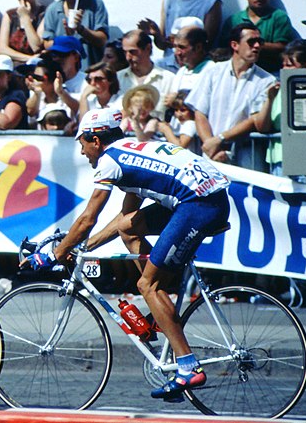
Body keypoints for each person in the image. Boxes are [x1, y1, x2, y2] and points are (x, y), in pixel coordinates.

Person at [53, 107, 230, 402]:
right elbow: (127, 219)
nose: (82, 150)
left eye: (82, 141)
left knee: (147, 285)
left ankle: (188, 367)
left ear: (96, 139)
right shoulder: (130, 149)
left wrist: (59, 252)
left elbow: (87, 218)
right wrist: (87, 247)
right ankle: (162, 308)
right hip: (207, 197)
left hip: (199, 204)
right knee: (130, 231)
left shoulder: (110, 162)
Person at [185, 22, 276, 168]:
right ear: (235, 45)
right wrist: (211, 145)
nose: (257, 46)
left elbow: (255, 120)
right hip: (212, 156)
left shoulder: (267, 80)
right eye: (252, 41)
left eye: (260, 42)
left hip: (246, 157)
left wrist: (219, 139)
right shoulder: (213, 72)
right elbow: (200, 113)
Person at [254, 40, 306, 179]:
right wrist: (270, 99)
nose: (284, 70)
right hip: (282, 160)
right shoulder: (276, 90)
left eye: (289, 65)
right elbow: (262, 127)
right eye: (282, 65)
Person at [219, 0, 296, 74]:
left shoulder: (279, 17)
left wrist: (250, 44)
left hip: (271, 72)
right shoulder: (234, 19)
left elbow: (283, 47)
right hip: (238, 71)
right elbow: (224, 47)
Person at [42, 0, 109, 68]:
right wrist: (66, 40)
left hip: (90, 69)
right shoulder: (53, 9)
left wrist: (81, 30)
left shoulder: (95, 4)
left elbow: (102, 40)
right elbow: (46, 44)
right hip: (64, 72)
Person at [117, 30, 175, 118]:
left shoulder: (168, 79)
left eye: (133, 52)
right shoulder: (117, 78)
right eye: (125, 52)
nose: (128, 57)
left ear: (148, 48)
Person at [0, 0, 46, 64]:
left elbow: (36, 47)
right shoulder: (10, 15)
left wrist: (25, 18)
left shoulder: (44, 14)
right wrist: (29, 58)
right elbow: (3, 49)